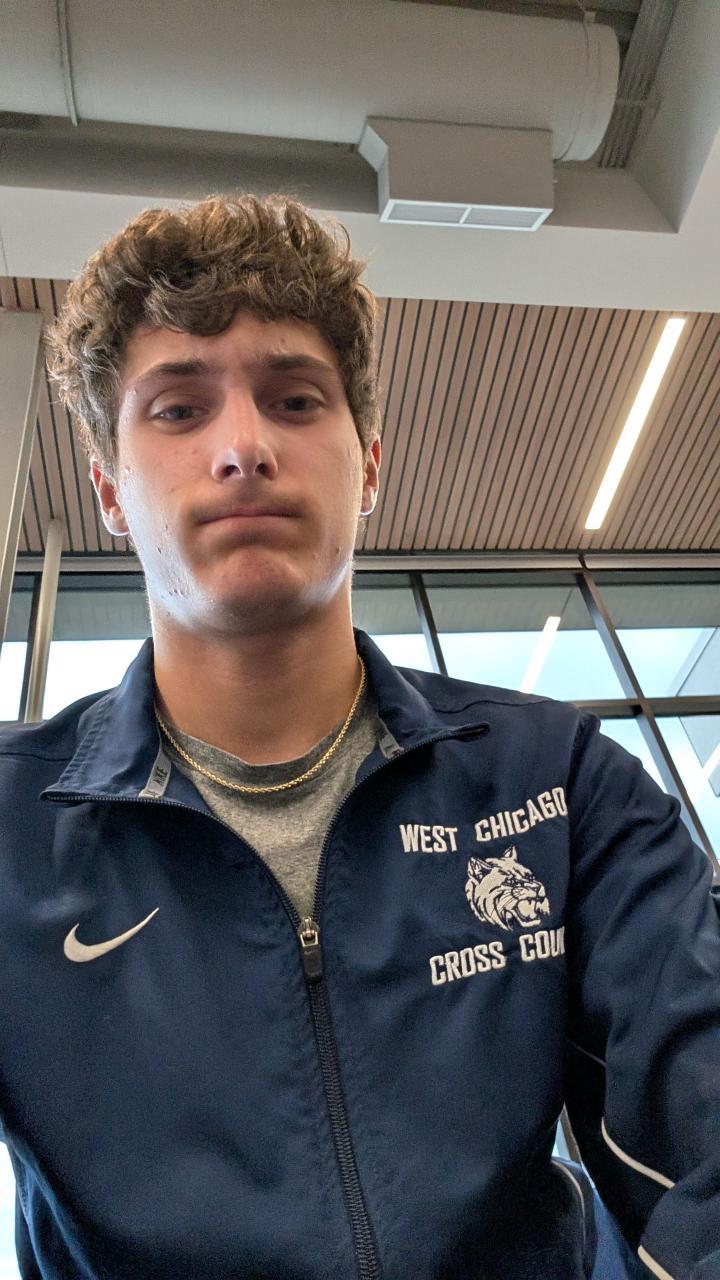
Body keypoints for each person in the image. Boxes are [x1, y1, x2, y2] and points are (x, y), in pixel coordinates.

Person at [0, 192, 716, 1280]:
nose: (243, 447)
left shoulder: (560, 785)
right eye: (180, 410)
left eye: (293, 399)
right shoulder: (13, 836)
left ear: (369, 464)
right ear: (108, 488)